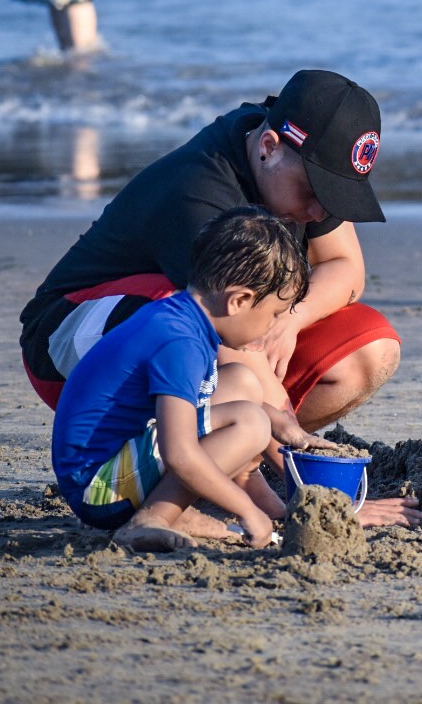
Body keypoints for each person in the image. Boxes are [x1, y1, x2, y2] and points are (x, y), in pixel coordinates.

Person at [21, 69, 420, 526]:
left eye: (335, 198)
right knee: (193, 315)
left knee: (368, 350)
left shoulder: (295, 150)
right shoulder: (200, 192)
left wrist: (290, 319)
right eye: (313, 191)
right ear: (268, 147)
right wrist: (321, 506)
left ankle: (207, 466)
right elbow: (235, 343)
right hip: (71, 337)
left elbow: (347, 268)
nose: (317, 212)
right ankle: (170, 490)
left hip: (194, 333)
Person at [53, 206, 338, 552]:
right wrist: (246, 509)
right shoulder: (181, 343)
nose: (272, 327)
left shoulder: (182, 318)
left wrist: (280, 421)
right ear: (239, 300)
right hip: (99, 489)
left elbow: (200, 407)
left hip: (113, 461)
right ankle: (152, 518)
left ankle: (174, 512)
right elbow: (179, 454)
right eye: (273, 315)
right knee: (250, 423)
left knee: (243, 383)